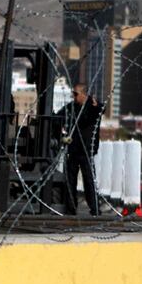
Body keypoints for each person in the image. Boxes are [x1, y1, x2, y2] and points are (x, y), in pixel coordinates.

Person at [56, 84, 103, 215]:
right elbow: (59, 116)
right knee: (70, 180)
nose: (74, 96)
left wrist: (96, 105)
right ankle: (71, 208)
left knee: (89, 180)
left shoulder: (92, 106)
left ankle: (95, 208)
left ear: (84, 94)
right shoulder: (72, 107)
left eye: (76, 94)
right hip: (73, 148)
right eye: (73, 94)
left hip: (86, 150)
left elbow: (100, 110)